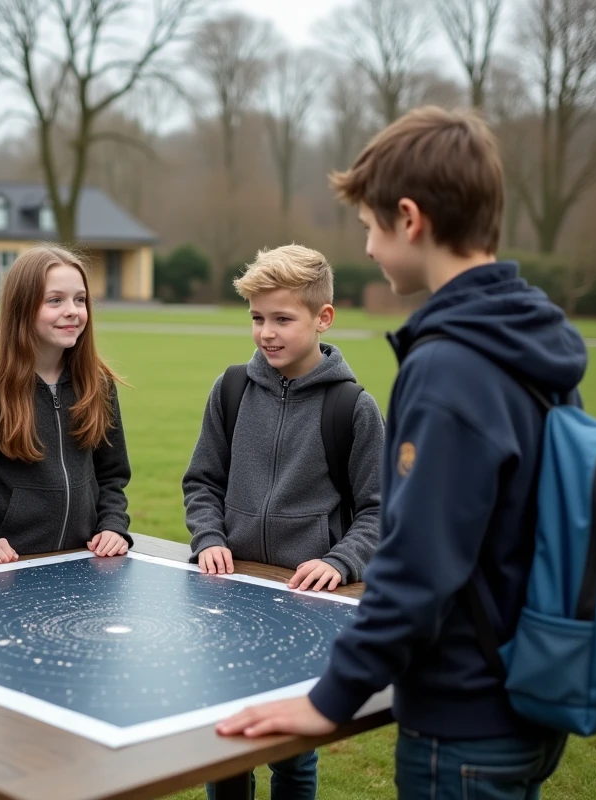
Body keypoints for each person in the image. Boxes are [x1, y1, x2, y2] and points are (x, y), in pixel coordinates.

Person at [217, 106, 586, 800]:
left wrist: (330, 697)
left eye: (369, 227)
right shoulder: (531, 335)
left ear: (409, 219)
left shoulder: (451, 362)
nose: (367, 249)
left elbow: (417, 564)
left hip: (466, 719)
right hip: (533, 689)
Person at [183, 244, 384, 800]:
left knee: (292, 753)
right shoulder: (230, 390)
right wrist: (209, 538)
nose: (266, 332)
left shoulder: (354, 408)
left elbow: (379, 509)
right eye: (256, 318)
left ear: (323, 318)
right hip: (228, 595)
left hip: (306, 603)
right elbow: (202, 482)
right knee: (226, 745)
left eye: (282, 319)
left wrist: (339, 559)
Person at [0, 246, 132, 564]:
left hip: (82, 564)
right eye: (55, 300)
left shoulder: (97, 384)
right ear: (21, 307)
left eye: (80, 299)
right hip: (7, 569)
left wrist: (112, 525)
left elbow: (112, 475)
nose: (72, 310)